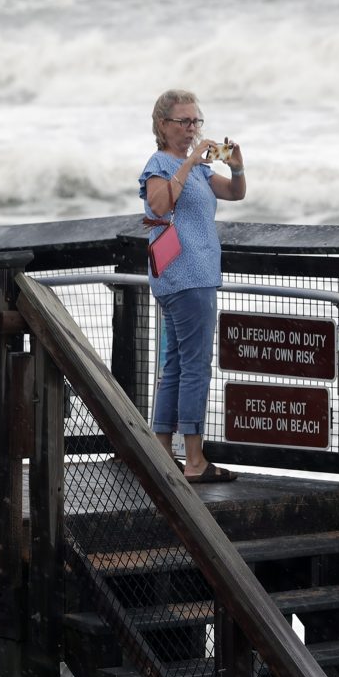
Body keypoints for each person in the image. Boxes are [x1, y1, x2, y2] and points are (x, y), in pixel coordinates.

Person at [139, 89, 245, 483]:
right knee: (194, 366)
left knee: (178, 364)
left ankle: (164, 453)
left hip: (193, 275)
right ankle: (195, 460)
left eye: (196, 121)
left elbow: (236, 193)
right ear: (162, 125)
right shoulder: (158, 165)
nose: (191, 129)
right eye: (183, 122)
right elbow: (160, 206)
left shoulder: (198, 168)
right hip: (186, 276)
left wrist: (237, 166)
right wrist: (186, 165)